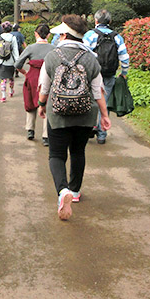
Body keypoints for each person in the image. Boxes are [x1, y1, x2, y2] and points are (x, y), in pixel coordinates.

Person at [38, 14, 111, 221]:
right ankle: (75, 191)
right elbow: (98, 92)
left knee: (56, 155)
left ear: (63, 34)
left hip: (58, 113)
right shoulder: (91, 58)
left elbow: (44, 88)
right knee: (78, 152)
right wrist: (104, 116)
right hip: (85, 115)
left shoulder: (52, 56)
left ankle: (62, 191)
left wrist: (42, 106)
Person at [83, 9, 129, 145]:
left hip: (92, 74)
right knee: (105, 103)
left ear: (96, 21)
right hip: (109, 74)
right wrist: (124, 73)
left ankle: (90, 127)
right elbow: (124, 57)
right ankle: (102, 135)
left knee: (90, 101)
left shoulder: (90, 35)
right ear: (110, 21)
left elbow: (84, 54)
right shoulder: (117, 36)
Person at [15, 24, 54, 145]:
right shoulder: (54, 48)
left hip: (32, 77)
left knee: (31, 102)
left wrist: (25, 73)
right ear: (49, 35)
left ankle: (30, 130)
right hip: (48, 78)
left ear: (35, 34)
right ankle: (46, 136)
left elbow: (17, 64)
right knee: (47, 105)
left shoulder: (30, 48)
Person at [0, 21, 20, 102]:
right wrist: (17, 61)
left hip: (1, 61)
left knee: (3, 79)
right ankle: (11, 91)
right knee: (11, 77)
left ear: (3, 28)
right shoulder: (13, 38)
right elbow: (15, 50)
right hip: (11, 61)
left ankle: (3, 96)